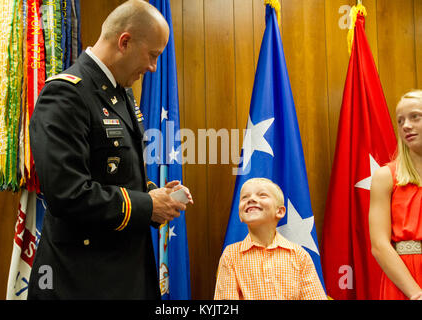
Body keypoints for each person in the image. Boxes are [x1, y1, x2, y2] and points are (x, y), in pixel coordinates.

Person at [27, 0, 192, 299]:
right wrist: (146, 205)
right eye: (152, 55)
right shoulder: (66, 94)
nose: (153, 67)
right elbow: (67, 193)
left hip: (124, 273)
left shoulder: (119, 92)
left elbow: (113, 172)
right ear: (125, 41)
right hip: (82, 280)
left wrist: (157, 196)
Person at [214, 178, 326, 300]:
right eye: (244, 197)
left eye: (262, 195)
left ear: (280, 211)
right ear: (240, 215)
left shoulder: (299, 255)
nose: (251, 199)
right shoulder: (230, 255)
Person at [369, 90, 422, 300]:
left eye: (415, 117)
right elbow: (379, 245)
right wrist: (416, 294)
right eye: (400, 121)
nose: (406, 125)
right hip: (404, 283)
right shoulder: (386, 177)